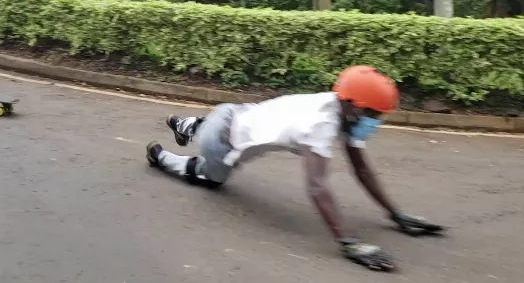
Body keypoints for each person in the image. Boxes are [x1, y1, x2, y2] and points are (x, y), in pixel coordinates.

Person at [145, 65, 444, 272]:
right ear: (354, 106)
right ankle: (159, 156)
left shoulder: (341, 108)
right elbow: (316, 187)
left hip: (235, 113)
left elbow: (362, 170)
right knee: (210, 178)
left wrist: (396, 214)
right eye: (375, 114)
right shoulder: (321, 125)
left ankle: (184, 124)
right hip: (224, 139)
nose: (377, 121)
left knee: (218, 124)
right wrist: (349, 242)